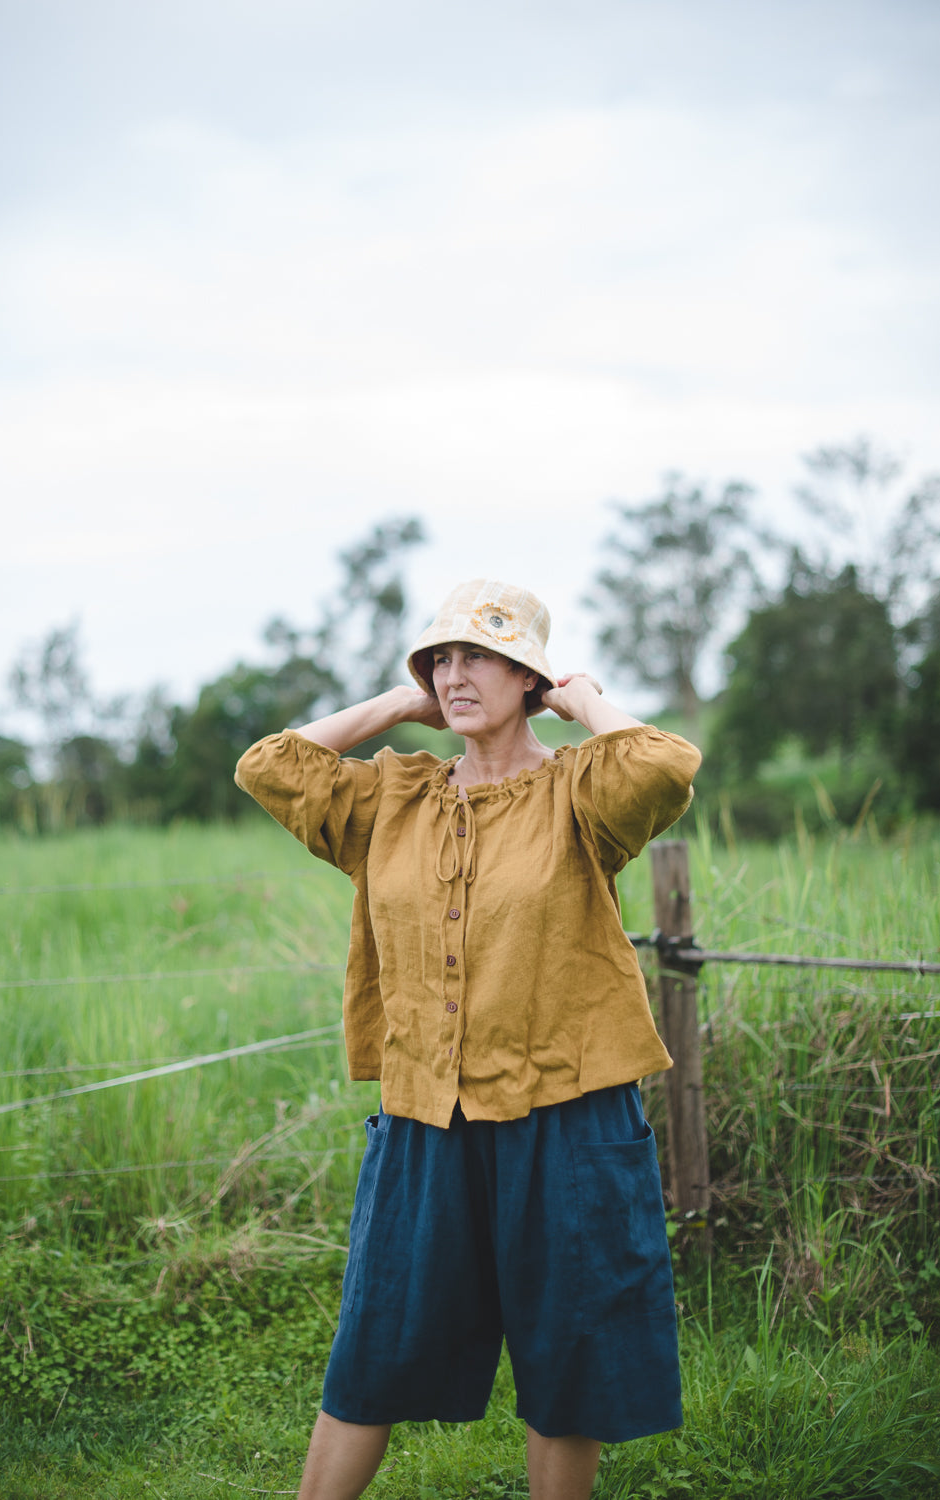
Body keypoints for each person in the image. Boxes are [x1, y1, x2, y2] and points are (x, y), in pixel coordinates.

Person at [234, 578, 702, 1500]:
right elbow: (269, 766)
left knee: (567, 1351)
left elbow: (664, 764)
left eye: (479, 657)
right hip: (424, 1112)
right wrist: (399, 704)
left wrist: (584, 699)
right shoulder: (392, 798)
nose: (455, 674)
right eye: (440, 658)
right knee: (377, 1335)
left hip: (567, 1115)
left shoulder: (580, 792)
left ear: (527, 677)